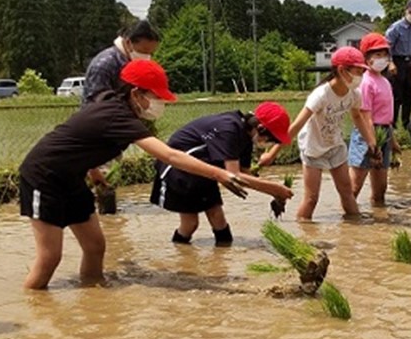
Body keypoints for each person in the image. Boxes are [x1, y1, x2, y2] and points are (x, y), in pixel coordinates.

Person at [19, 59, 252, 289]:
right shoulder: (117, 115)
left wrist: (93, 172)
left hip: (72, 179)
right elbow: (169, 156)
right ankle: (34, 310)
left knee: (95, 247)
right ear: (136, 93)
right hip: (45, 177)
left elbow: (82, 141)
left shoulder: (116, 108)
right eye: (155, 96)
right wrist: (219, 174)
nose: (158, 103)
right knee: (50, 258)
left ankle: (94, 297)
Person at [152, 102, 295, 246]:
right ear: (261, 128)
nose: (269, 143)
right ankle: (179, 255)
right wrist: (275, 189)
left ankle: (222, 260)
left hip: (206, 172)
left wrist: (276, 194)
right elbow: (235, 176)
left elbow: (245, 174)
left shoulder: (246, 138)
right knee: (190, 224)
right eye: (271, 139)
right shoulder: (229, 129)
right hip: (179, 170)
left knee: (218, 219)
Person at [287, 46, 380, 220]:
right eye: (358, 71)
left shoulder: (354, 94)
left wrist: (371, 142)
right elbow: (298, 124)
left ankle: (354, 229)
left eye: (362, 71)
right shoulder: (321, 95)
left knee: (347, 192)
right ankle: (302, 234)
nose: (361, 76)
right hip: (313, 148)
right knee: (311, 198)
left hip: (335, 146)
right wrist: (272, 153)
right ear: (342, 70)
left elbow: (357, 117)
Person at [348, 32, 399, 206]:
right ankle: (347, 222)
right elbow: (365, 115)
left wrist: (392, 140)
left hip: (383, 132)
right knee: (354, 186)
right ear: (366, 58)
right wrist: (372, 143)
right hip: (366, 133)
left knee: (381, 189)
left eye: (385, 55)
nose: (383, 59)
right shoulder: (366, 82)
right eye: (378, 55)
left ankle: (378, 222)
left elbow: (386, 116)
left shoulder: (384, 81)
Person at [82, 19, 161, 106]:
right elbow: (97, 107)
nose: (147, 57)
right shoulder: (104, 65)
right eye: (144, 51)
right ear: (128, 43)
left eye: (151, 53)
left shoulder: (133, 63)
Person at [385, 0, 411, 128]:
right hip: (396, 61)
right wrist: (390, 62)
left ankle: (406, 124)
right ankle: (392, 123)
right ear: (406, 10)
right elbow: (387, 46)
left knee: (409, 95)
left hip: (408, 62)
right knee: (396, 95)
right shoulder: (396, 28)